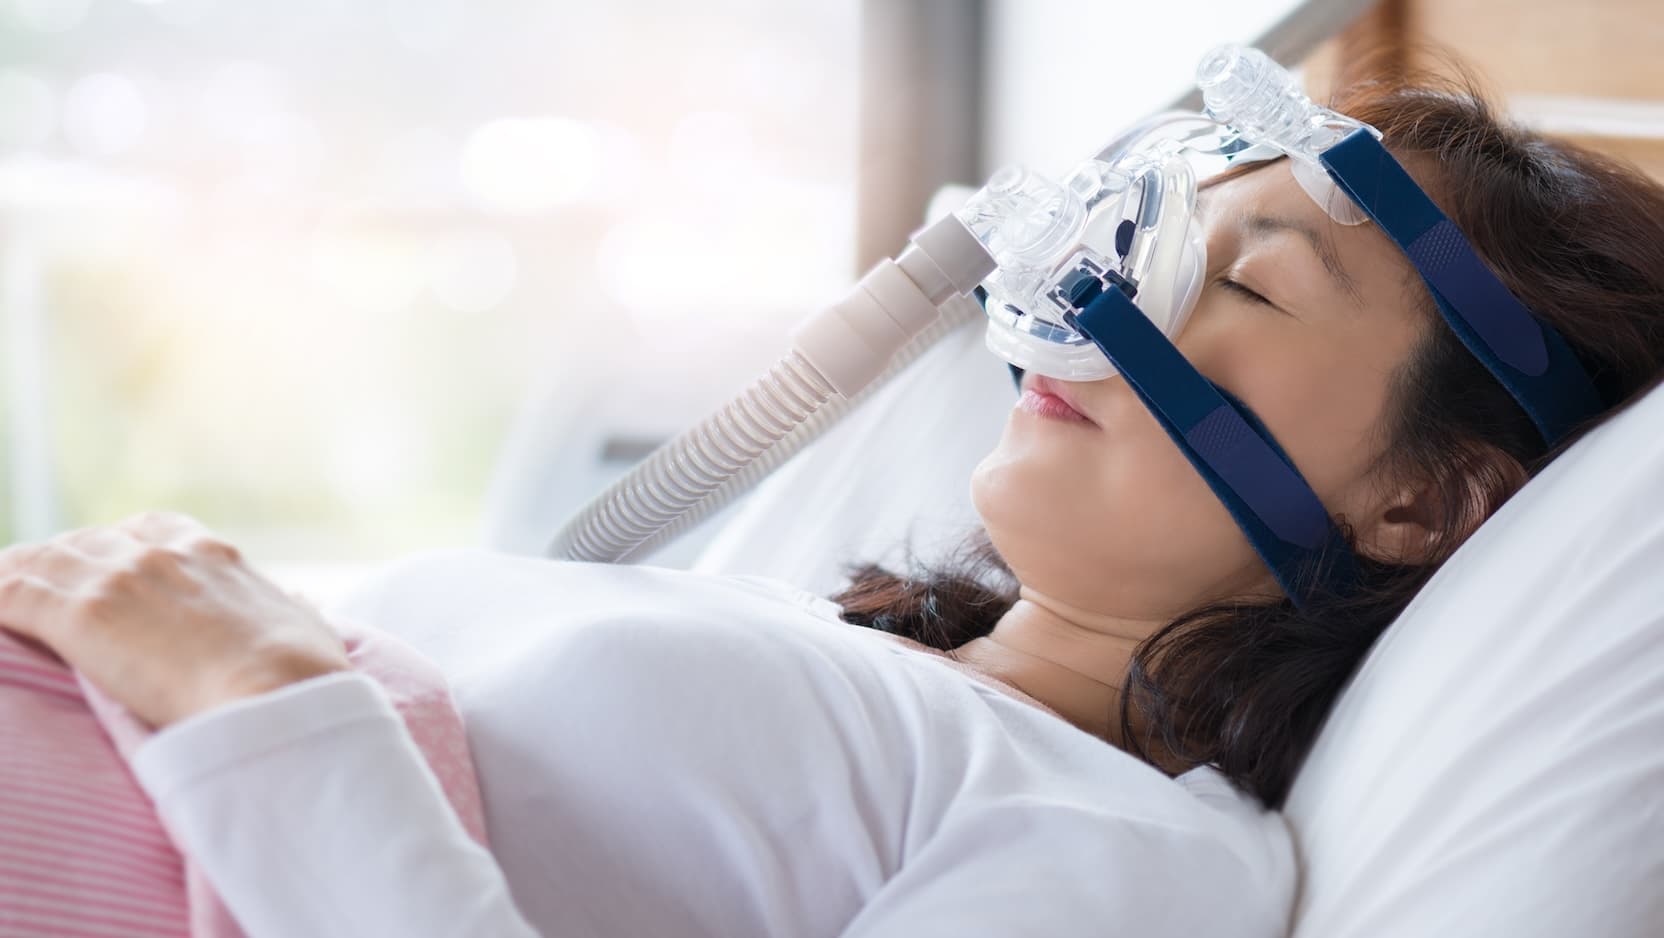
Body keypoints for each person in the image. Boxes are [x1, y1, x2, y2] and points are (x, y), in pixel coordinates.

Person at [4, 69, 1664, 938]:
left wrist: (262, 691)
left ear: (1423, 502)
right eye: (1151, 232)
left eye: (1246, 283)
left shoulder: (1140, 858)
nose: (1106, 301)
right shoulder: (819, 636)